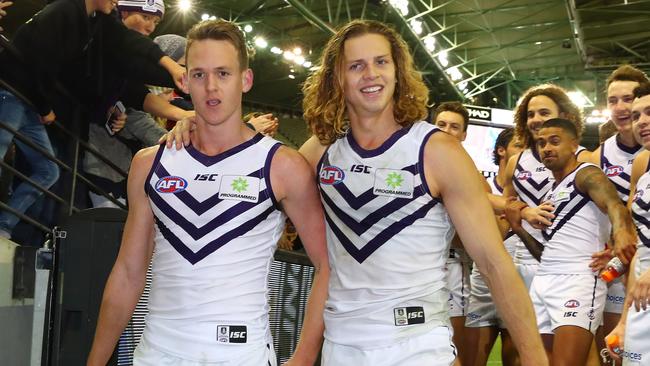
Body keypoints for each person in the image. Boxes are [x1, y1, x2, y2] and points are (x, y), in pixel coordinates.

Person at [298, 19, 546, 365]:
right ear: (338, 78)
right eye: (356, 66)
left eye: (381, 62)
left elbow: (493, 263)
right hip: (342, 347)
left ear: (398, 71)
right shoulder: (321, 152)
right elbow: (260, 181)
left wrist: (536, 359)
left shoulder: (436, 151)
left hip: (417, 345)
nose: (371, 74)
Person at [87, 20, 329, 366]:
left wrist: (303, 358)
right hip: (157, 354)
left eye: (223, 73)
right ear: (184, 81)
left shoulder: (283, 166)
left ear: (245, 79)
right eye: (199, 74)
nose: (211, 87)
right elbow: (128, 272)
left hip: (241, 354)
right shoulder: (149, 164)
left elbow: (326, 264)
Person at [0, 0, 184, 238]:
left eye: (155, 22)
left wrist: (109, 109)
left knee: (48, 174)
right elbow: (39, 58)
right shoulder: (66, 11)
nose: (150, 27)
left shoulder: (98, 23)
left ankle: (5, 227)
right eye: (146, 18)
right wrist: (45, 105)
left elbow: (125, 79)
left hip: (50, 115)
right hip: (24, 99)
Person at [507, 118, 637, 365]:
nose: (546, 148)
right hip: (543, 280)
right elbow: (546, 254)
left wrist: (622, 233)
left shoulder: (586, 173)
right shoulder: (551, 192)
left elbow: (614, 205)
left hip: (578, 280)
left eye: (555, 141)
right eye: (541, 143)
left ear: (574, 144)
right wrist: (518, 228)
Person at [503, 84, 592, 291]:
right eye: (530, 114)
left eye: (544, 112)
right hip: (523, 256)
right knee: (521, 323)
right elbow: (506, 206)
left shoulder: (584, 158)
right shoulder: (515, 162)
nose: (535, 119)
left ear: (565, 116)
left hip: (568, 263)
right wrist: (526, 212)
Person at [588, 65, 649, 357]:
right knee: (619, 348)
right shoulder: (598, 156)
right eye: (613, 101)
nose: (621, 108)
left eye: (630, 100)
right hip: (624, 264)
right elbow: (630, 220)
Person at [465, 127, 523, 366]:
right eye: (519, 145)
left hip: (517, 275)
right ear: (501, 150)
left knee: (514, 356)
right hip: (484, 277)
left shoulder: (529, 191)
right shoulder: (481, 186)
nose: (525, 153)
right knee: (473, 356)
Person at [607, 82, 650, 365]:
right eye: (637, 116)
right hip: (642, 296)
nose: (642, 122)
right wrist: (624, 320)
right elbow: (640, 249)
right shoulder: (643, 168)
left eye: (649, 112)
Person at [431, 101, 473, 364]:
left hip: (452, 266)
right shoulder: (414, 164)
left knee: (450, 349)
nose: (447, 131)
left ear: (464, 135)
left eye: (454, 127)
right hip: (412, 270)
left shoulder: (471, 174)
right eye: (441, 125)